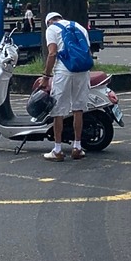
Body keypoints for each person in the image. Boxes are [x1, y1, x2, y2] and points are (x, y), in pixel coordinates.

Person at [39, 12, 91, 161]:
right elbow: (86, 51)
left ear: (49, 22)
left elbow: (52, 53)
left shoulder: (52, 29)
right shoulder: (79, 27)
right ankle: (77, 147)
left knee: (58, 111)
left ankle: (57, 150)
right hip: (82, 71)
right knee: (78, 109)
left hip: (64, 71)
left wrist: (46, 76)